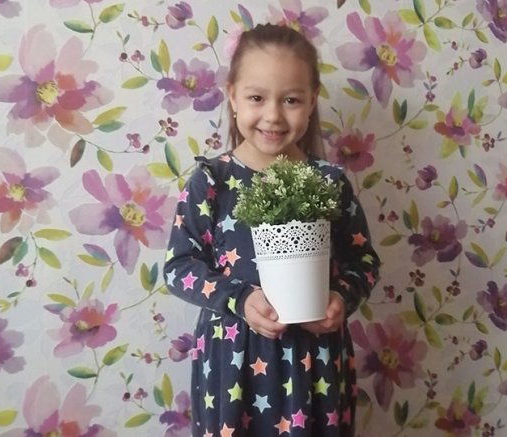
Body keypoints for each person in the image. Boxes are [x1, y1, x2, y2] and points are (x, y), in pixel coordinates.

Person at [163, 23, 380, 437]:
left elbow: (363, 261)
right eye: (257, 98)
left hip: (316, 368)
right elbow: (179, 266)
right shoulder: (211, 181)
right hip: (233, 367)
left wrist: (342, 297)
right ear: (232, 96)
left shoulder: (330, 182)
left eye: (291, 100)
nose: (273, 115)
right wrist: (240, 298)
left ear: (312, 100)